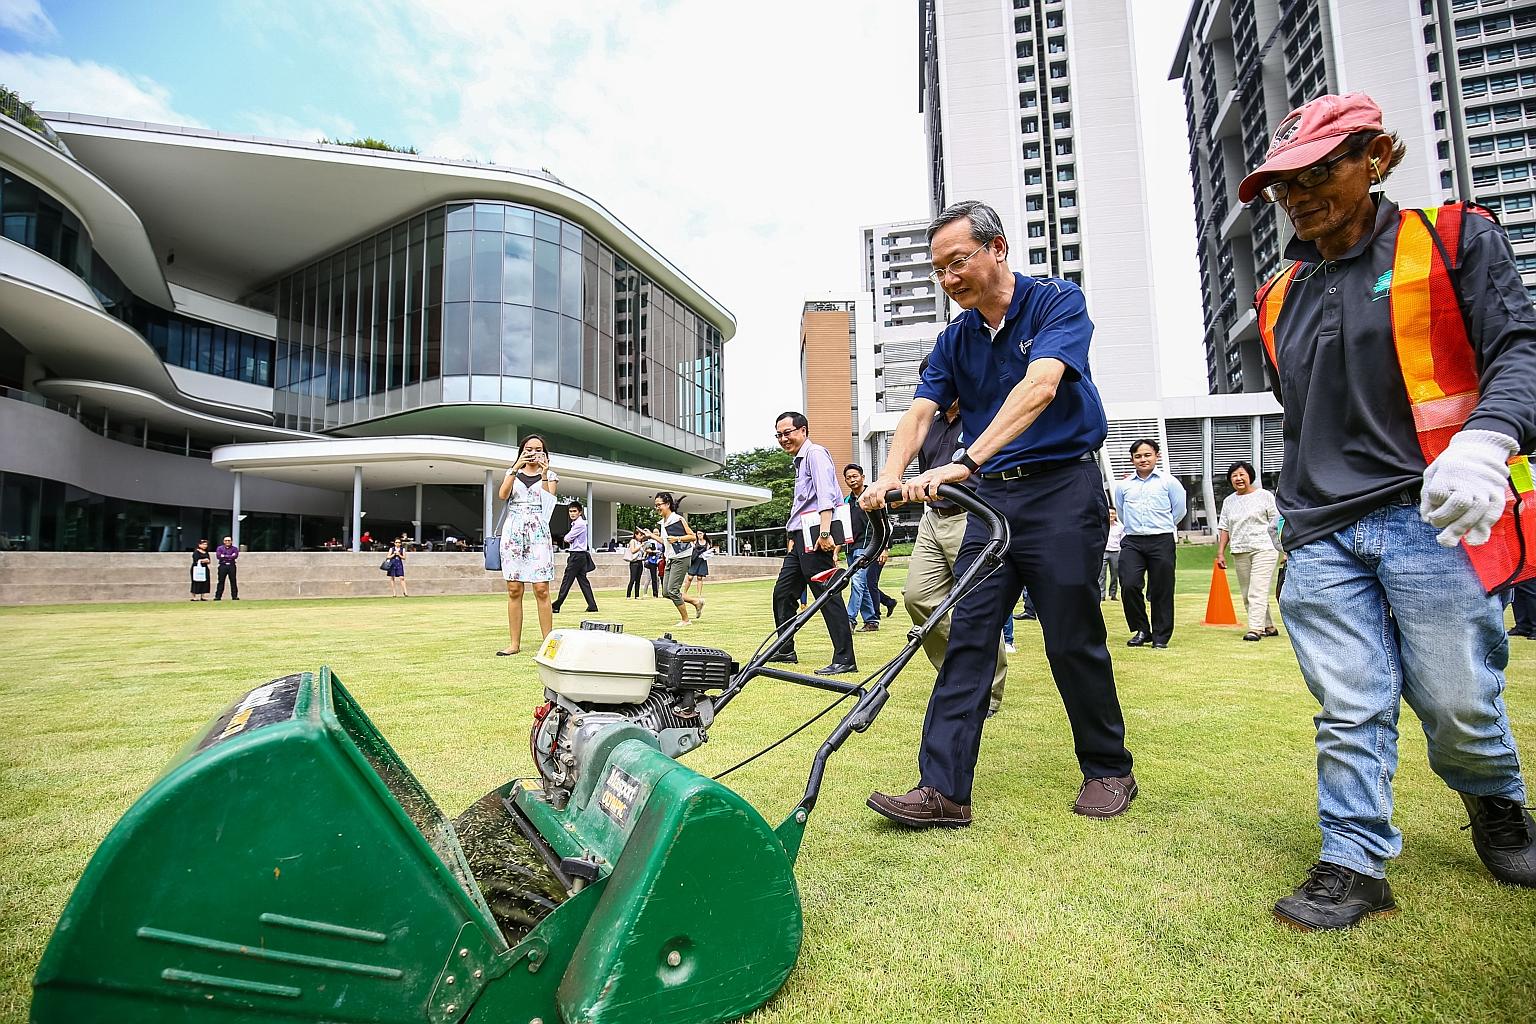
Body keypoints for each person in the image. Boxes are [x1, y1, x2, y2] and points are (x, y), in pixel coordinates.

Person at [1241, 92, 1536, 929]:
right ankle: (1353, 859)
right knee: (1351, 703)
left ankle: (1495, 797)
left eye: (1316, 171)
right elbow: (1302, 412)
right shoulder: (1277, 296)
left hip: (1432, 518)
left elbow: (1520, 349)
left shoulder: (1452, 238)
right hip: (1323, 533)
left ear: (1374, 156)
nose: (1296, 195)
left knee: (1458, 701)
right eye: (1281, 185)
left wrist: (1488, 441)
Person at [863, 200, 1135, 827]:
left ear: (998, 249)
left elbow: (1039, 387)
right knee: (969, 640)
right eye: (938, 271)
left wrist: (968, 459)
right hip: (993, 502)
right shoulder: (955, 340)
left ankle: (1108, 769)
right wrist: (889, 476)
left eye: (957, 262)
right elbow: (921, 410)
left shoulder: (1056, 303)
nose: (948, 279)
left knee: (1072, 638)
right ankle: (943, 790)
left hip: (1062, 491)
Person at [894, 367, 1008, 716]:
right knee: (917, 598)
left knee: (975, 607)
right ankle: (957, 677)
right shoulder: (930, 423)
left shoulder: (983, 416)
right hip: (933, 519)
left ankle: (987, 692)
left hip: (972, 517)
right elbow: (927, 471)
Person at [769, 411, 857, 676]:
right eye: (779, 434)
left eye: (788, 432)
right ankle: (784, 649)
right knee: (783, 593)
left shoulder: (815, 454)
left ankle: (845, 658)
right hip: (799, 539)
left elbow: (826, 495)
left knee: (827, 596)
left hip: (816, 537)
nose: (784, 438)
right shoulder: (800, 460)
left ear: (803, 430)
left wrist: (826, 534)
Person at [1114, 438, 1187, 649]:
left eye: (1147, 455)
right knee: (1129, 584)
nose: (1143, 459)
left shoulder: (1169, 482)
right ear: (1132, 460)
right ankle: (1141, 629)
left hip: (1161, 539)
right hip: (1133, 541)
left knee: (1161, 588)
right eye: (1138, 456)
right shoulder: (1124, 486)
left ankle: (1161, 636)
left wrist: (1161, 526)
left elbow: (1179, 511)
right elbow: (1121, 512)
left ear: (1157, 456)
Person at [495, 434, 558, 655]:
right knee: (514, 588)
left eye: (538, 449)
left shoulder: (550, 475)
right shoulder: (512, 472)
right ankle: (514, 644)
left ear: (544, 452)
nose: (533, 453)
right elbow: (502, 495)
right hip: (513, 532)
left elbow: (548, 502)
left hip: (538, 532)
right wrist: (515, 467)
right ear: (522, 451)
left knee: (541, 588)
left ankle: (547, 643)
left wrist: (543, 473)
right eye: (529, 449)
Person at [1215, 460, 1281, 642]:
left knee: (1257, 590)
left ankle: (1255, 629)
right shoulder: (1229, 501)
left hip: (1264, 548)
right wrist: (1221, 552)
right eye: (1234, 476)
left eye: (1242, 474)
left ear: (1250, 476)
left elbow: (1277, 523)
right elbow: (1224, 527)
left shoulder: (1265, 496)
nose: (1238, 478)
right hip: (1240, 550)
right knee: (1246, 593)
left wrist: (1284, 549)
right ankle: (1268, 626)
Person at [639, 491, 704, 627]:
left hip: (682, 557)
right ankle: (696, 602)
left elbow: (692, 537)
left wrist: (678, 538)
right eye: (655, 505)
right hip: (670, 558)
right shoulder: (663, 522)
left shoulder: (677, 519)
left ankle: (686, 620)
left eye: (659, 505)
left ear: (667, 504)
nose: (657, 508)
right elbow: (665, 542)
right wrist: (650, 535)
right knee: (666, 592)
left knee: (673, 590)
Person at [842, 464, 883, 633]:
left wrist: (884, 548)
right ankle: (871, 620)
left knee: (857, 582)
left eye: (855, 476)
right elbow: (843, 526)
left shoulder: (872, 496)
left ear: (862, 477)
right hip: (851, 547)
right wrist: (837, 550)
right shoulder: (846, 501)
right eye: (848, 477)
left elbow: (883, 523)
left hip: (867, 547)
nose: (852, 480)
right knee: (862, 585)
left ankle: (849, 619)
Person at [551, 502, 599, 615]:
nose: (572, 514)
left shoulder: (579, 524)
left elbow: (567, 538)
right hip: (580, 555)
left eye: (574, 511)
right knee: (583, 582)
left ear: (580, 512)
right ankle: (592, 605)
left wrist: (567, 537)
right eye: (570, 511)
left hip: (576, 556)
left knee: (567, 581)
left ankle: (556, 606)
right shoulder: (578, 524)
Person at [1102, 507, 1124, 601]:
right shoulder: (1102, 525)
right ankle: (1102, 594)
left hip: (1115, 552)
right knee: (1101, 574)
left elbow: (1123, 540)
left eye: (1113, 514)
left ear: (1115, 515)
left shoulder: (1120, 527)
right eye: (1109, 513)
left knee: (1114, 575)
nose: (1111, 515)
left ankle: (1113, 594)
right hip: (1104, 552)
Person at [683, 529, 711, 600]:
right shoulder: (695, 541)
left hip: (702, 560)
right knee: (690, 577)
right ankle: (684, 593)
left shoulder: (707, 542)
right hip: (694, 560)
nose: (699, 535)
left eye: (700, 533)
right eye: (698, 534)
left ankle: (699, 594)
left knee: (699, 578)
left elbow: (709, 551)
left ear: (704, 534)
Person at [214, 535, 240, 601]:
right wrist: (229, 556)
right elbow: (219, 556)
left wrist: (224, 556)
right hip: (223, 566)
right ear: (223, 541)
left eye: (229, 540)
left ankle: (234, 596)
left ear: (231, 541)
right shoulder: (220, 548)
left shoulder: (234, 548)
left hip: (231, 566)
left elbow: (235, 556)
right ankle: (218, 596)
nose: (227, 542)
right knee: (221, 581)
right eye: (226, 540)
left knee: (233, 581)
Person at [623, 529, 647, 599]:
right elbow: (633, 550)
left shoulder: (640, 542)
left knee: (638, 580)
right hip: (634, 562)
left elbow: (642, 552)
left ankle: (637, 595)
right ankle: (628, 595)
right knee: (632, 579)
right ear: (636, 535)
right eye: (640, 535)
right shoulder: (633, 541)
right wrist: (640, 546)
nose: (641, 537)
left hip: (640, 561)